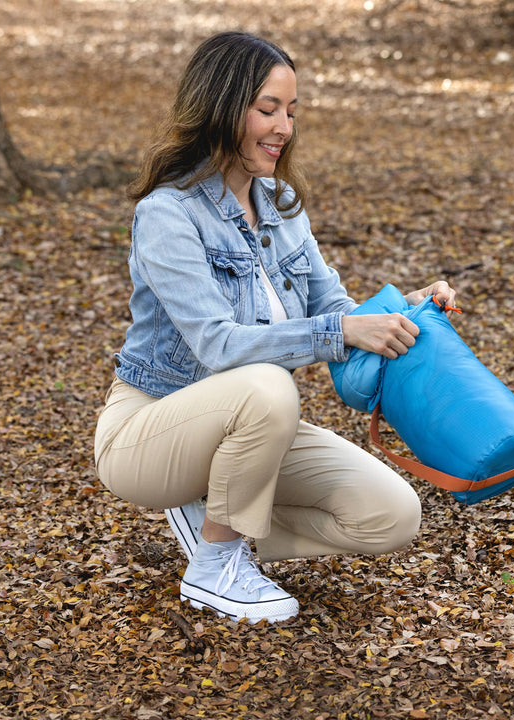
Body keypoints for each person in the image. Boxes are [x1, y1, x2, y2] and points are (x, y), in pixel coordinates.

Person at [93, 31, 457, 624]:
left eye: (291, 110)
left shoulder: (282, 204)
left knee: (391, 515)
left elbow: (337, 309)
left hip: (252, 429)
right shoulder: (167, 213)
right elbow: (216, 345)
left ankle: (221, 507)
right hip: (148, 431)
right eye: (268, 109)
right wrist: (337, 333)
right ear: (221, 106)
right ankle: (215, 562)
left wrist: (408, 308)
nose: (284, 126)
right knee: (267, 384)